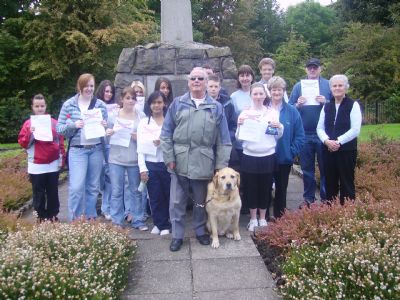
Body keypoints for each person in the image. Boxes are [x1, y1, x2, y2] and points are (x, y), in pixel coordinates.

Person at [161, 67, 232, 252]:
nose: (197, 81)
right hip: (179, 162)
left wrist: (220, 167)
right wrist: (169, 157)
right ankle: (177, 235)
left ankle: (200, 231)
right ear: (188, 81)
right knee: (176, 202)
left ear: (207, 82)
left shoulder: (216, 108)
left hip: (203, 162)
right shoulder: (178, 104)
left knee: (201, 201)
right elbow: (166, 133)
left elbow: (224, 140)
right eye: (193, 78)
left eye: (201, 78)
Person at [57, 73, 107, 221]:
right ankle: (76, 220)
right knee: (77, 187)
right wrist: (73, 125)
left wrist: (105, 126)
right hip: (77, 150)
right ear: (79, 86)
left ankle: (90, 217)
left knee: (93, 187)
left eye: (92, 86)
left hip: (96, 149)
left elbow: (107, 128)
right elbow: (59, 128)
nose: (89, 89)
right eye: (86, 86)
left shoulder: (100, 105)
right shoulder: (69, 104)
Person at [235, 83, 283, 231]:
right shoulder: (244, 113)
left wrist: (279, 127)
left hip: (267, 155)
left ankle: (263, 218)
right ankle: (253, 218)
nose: (258, 97)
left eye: (260, 94)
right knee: (250, 189)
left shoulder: (272, 113)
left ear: (265, 95)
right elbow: (238, 137)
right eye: (255, 94)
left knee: (265, 188)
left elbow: (278, 136)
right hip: (249, 156)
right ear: (251, 96)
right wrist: (239, 125)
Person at [289, 58, 332, 205]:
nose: (312, 70)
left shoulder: (328, 85)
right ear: (306, 69)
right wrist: (298, 104)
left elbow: (337, 106)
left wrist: (326, 102)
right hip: (305, 134)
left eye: (315, 67)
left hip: (323, 134)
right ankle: (308, 199)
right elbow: (289, 108)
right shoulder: (298, 86)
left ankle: (327, 199)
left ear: (320, 69)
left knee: (325, 168)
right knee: (307, 169)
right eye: (310, 68)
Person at [106, 86, 148, 230]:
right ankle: (117, 221)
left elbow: (146, 136)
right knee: (117, 191)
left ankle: (137, 219)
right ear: (122, 99)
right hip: (116, 158)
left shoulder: (141, 116)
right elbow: (105, 137)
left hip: (134, 159)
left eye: (133, 98)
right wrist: (109, 133)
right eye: (128, 98)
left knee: (136, 191)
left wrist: (139, 137)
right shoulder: (113, 116)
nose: (130, 101)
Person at [18, 94, 65, 223]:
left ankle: (52, 215)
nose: (40, 108)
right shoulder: (28, 124)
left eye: (42, 106)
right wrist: (29, 133)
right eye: (37, 106)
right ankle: (41, 217)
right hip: (36, 164)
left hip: (52, 163)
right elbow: (23, 143)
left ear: (45, 106)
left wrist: (62, 159)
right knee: (38, 193)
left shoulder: (54, 123)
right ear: (32, 107)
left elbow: (60, 142)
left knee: (52, 192)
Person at [317, 75, 361, 204]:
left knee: (347, 183)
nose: (337, 88)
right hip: (328, 151)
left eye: (340, 85)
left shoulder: (353, 105)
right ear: (330, 88)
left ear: (346, 87)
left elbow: (355, 129)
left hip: (346, 151)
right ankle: (331, 213)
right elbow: (319, 128)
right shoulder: (327, 106)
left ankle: (347, 214)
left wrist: (338, 141)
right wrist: (326, 141)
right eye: (334, 86)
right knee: (330, 184)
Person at [270, 76, 305, 218]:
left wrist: (291, 152)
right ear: (269, 91)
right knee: (265, 188)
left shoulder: (292, 111)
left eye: (279, 89)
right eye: (273, 89)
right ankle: (264, 218)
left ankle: (280, 219)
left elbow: (300, 136)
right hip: (265, 157)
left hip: (284, 158)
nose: (276, 92)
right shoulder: (263, 109)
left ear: (283, 91)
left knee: (281, 190)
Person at [138, 91, 171, 235]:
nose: (156, 105)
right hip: (150, 163)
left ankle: (166, 223)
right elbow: (140, 147)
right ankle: (159, 223)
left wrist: (162, 142)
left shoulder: (169, 122)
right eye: (153, 103)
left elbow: (174, 142)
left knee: (168, 194)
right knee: (154, 195)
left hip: (166, 163)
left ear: (164, 104)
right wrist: (142, 168)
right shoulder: (143, 122)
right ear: (149, 105)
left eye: (159, 102)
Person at [230, 64, 255, 213]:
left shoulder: (259, 92)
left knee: (253, 174)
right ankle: (243, 204)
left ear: (252, 77)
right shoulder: (234, 96)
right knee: (242, 173)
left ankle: (252, 202)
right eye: (242, 75)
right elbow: (233, 119)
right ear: (238, 78)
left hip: (257, 143)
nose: (245, 78)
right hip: (241, 143)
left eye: (247, 75)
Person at [95, 80, 116, 220]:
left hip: (110, 146)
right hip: (96, 145)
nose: (108, 94)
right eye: (106, 91)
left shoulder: (115, 108)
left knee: (109, 178)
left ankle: (106, 207)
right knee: (98, 178)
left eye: (110, 91)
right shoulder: (94, 106)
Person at [207, 74, 237, 156]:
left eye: (216, 86)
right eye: (211, 86)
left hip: (223, 145)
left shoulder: (228, 103)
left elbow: (234, 125)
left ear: (220, 88)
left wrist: (227, 139)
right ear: (206, 87)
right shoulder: (200, 102)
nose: (213, 89)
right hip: (206, 146)